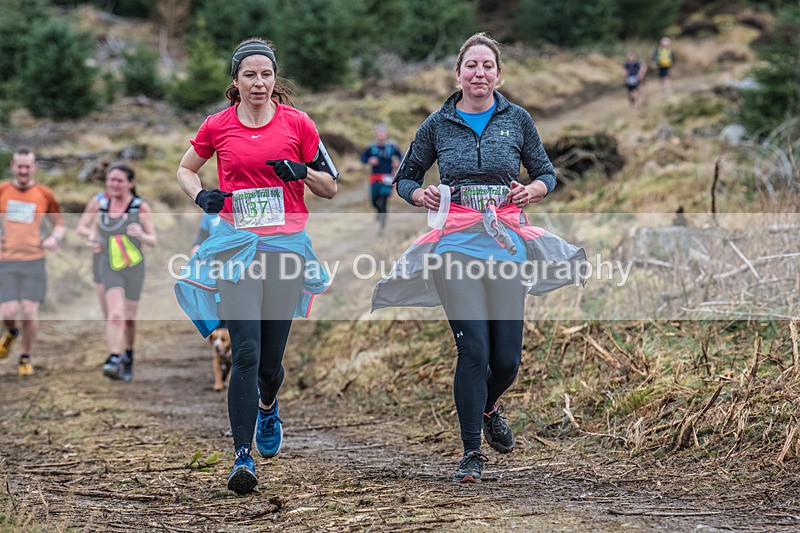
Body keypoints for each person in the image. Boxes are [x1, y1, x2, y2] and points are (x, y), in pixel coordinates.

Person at [372, 33, 585, 483]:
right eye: (471, 65)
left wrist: (532, 190)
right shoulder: (437, 124)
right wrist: (421, 195)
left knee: (505, 360)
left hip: (506, 245)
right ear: (458, 74)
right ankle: (471, 452)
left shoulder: (518, 120)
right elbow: (405, 179)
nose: (479, 73)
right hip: (455, 246)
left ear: (498, 74)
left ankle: (488, 407)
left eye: (488, 66)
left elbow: (546, 173)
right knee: (473, 350)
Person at [175, 38, 338, 496]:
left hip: (285, 250)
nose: (259, 82)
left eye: (266, 74)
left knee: (269, 364)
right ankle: (242, 457)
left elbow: (330, 186)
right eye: (250, 74)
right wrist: (200, 195)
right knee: (245, 352)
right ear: (237, 80)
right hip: (236, 248)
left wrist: (301, 172)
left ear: (274, 78)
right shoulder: (217, 125)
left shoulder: (298, 123)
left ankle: (269, 406)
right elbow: (185, 169)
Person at [82, 164, 156, 382]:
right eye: (111, 179)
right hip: (108, 264)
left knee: (129, 319)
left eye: (119, 180)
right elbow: (87, 229)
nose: (114, 184)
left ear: (130, 183)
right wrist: (92, 238)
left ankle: (128, 354)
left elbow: (153, 239)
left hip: (134, 267)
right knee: (115, 314)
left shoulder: (139, 207)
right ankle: (114, 357)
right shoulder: (101, 204)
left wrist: (141, 234)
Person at [0, 148, 65, 375]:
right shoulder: (2, 191)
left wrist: (54, 238)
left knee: (29, 311)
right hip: (6, 260)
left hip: (34, 260)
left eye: (27, 166)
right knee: (8, 312)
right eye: (20, 166)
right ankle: (11, 332)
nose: (23, 171)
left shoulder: (45, 194)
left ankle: (25, 356)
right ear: (13, 166)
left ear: (35, 167)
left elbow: (59, 224)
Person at [359, 124, 402, 232]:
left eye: (383, 133)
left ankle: (383, 223)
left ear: (386, 135)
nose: (381, 136)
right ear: (376, 135)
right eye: (379, 133)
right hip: (375, 178)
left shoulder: (392, 147)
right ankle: (378, 212)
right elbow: (362, 158)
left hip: (387, 178)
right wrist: (369, 160)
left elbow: (401, 156)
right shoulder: (372, 148)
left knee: (383, 199)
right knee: (374, 201)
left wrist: (397, 162)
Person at [77, 190, 109, 318]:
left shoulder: (134, 202)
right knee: (107, 305)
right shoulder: (99, 200)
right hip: (101, 253)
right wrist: (94, 235)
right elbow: (81, 228)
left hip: (125, 257)